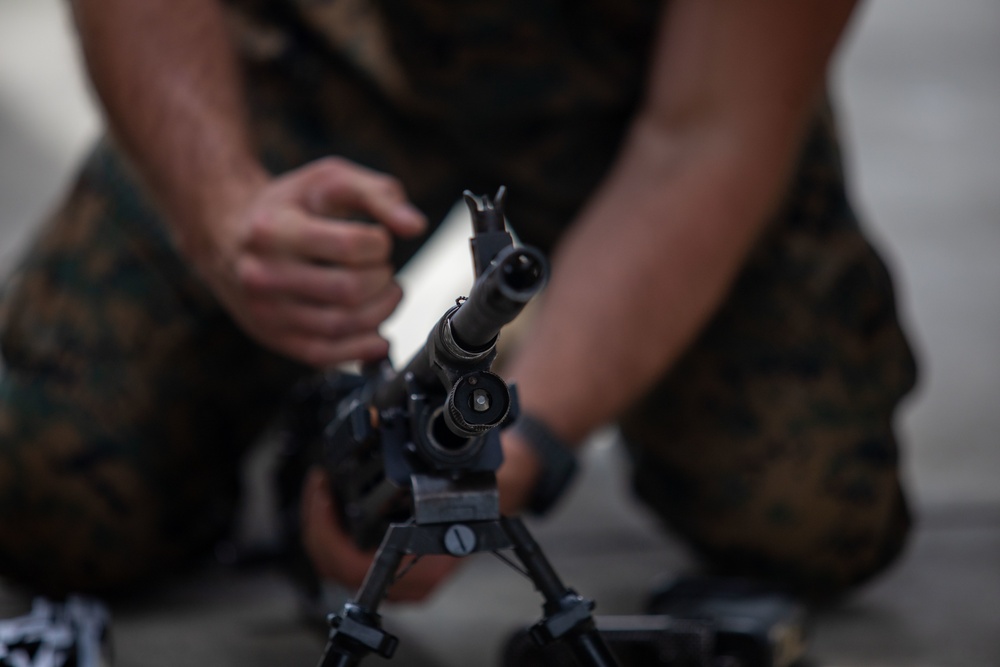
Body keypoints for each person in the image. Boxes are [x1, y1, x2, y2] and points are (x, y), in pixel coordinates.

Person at [0, 0, 916, 615]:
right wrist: (222, 211)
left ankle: (545, 325)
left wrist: (500, 461)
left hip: (649, 92)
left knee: (804, 521)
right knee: (50, 494)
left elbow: (710, 133)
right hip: (310, 48)